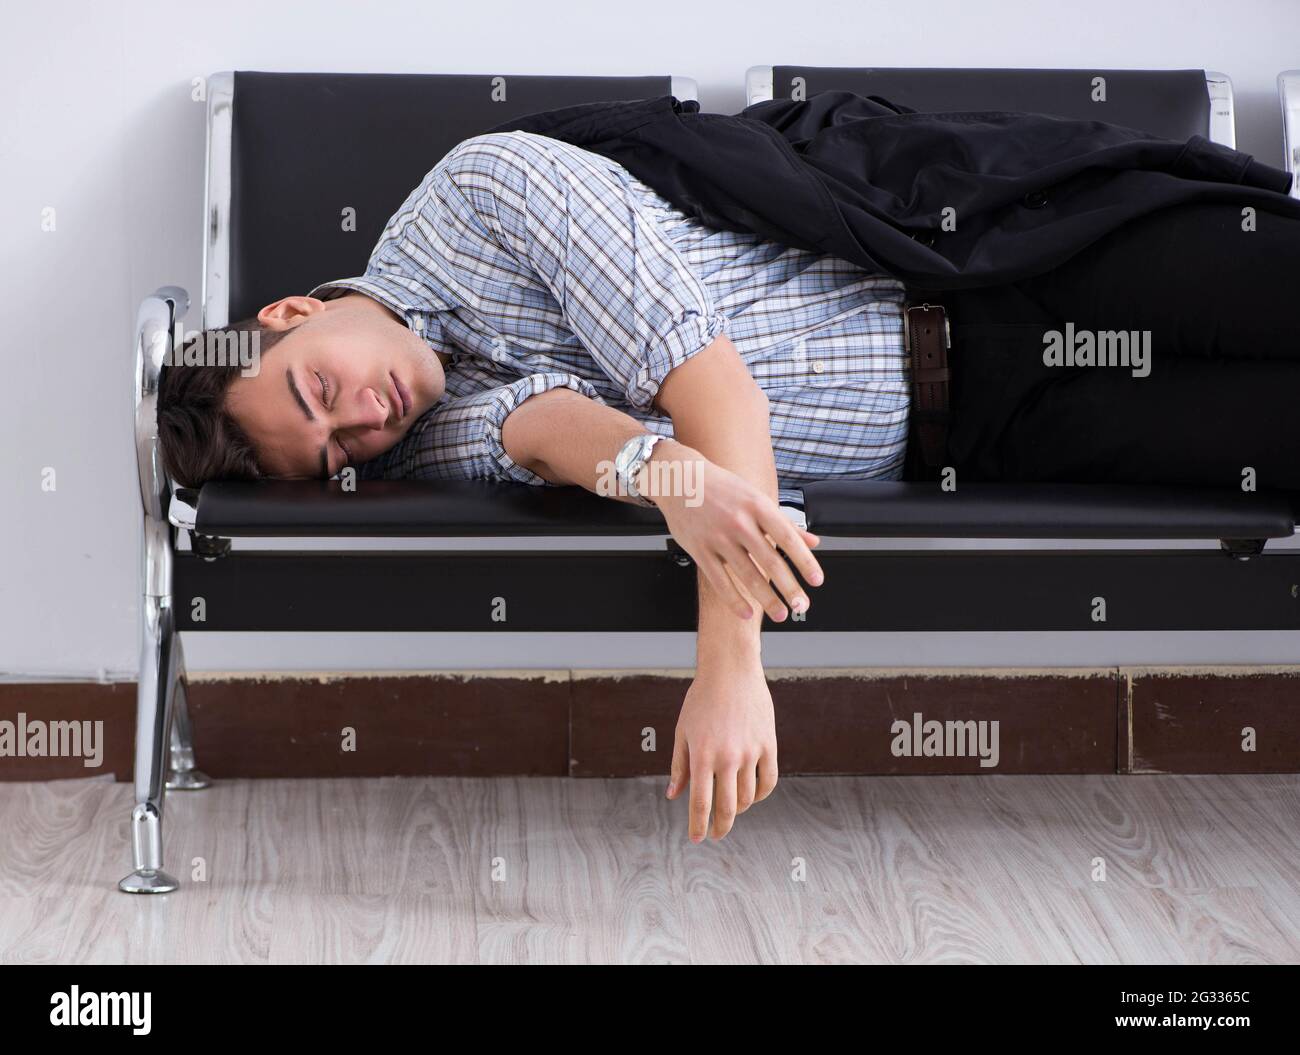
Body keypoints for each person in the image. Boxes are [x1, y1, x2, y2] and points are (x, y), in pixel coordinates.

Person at [157, 128, 1300, 843]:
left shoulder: (484, 189)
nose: (360, 420)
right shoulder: (412, 439)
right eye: (332, 455)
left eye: (316, 389)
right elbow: (545, 429)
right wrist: (660, 474)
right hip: (1008, 424)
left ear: (292, 314)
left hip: (1018, 269)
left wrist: (730, 666)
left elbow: (721, 399)